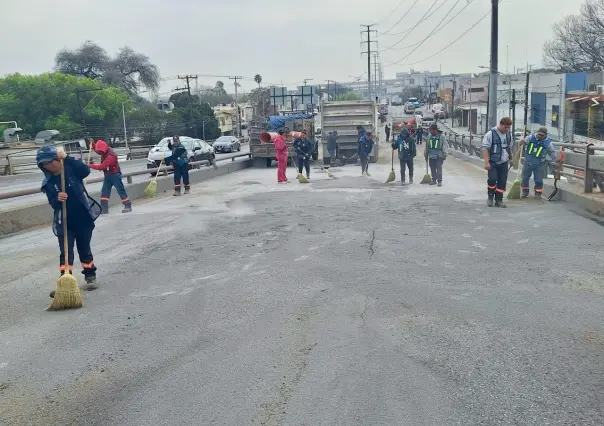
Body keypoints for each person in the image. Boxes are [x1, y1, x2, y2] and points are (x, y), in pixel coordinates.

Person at [36, 145, 101, 295]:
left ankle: (90, 275)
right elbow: (52, 203)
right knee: (65, 251)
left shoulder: (71, 170)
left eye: (52, 161)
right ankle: (65, 280)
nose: (50, 165)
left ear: (58, 159)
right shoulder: (48, 183)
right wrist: (57, 199)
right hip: (65, 221)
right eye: (45, 164)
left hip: (83, 218)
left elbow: (85, 171)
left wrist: (67, 158)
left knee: (84, 248)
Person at [88, 139, 132, 214]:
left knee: (120, 190)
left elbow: (102, 167)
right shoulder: (104, 151)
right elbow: (98, 150)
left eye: (101, 151)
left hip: (115, 175)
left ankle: (128, 206)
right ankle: (104, 209)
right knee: (105, 192)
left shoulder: (111, 156)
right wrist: (93, 144)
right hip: (108, 175)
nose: (100, 153)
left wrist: (89, 165)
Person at [481, 117, 514, 207]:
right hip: (493, 161)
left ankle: (499, 200)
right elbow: (485, 149)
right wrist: (486, 162)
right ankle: (490, 197)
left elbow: (509, 147)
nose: (507, 129)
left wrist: (511, 159)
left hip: (504, 162)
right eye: (505, 127)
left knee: (502, 181)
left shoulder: (508, 135)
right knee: (492, 179)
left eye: (508, 128)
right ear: (501, 124)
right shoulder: (491, 134)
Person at [520, 126, 556, 199]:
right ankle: (525, 191)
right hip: (528, 162)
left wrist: (556, 161)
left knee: (539, 179)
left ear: (545, 135)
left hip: (539, 164)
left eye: (541, 135)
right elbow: (523, 144)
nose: (539, 136)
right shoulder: (530, 138)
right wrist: (521, 143)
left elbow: (552, 153)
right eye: (538, 134)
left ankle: (538, 193)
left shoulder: (548, 144)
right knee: (524, 178)